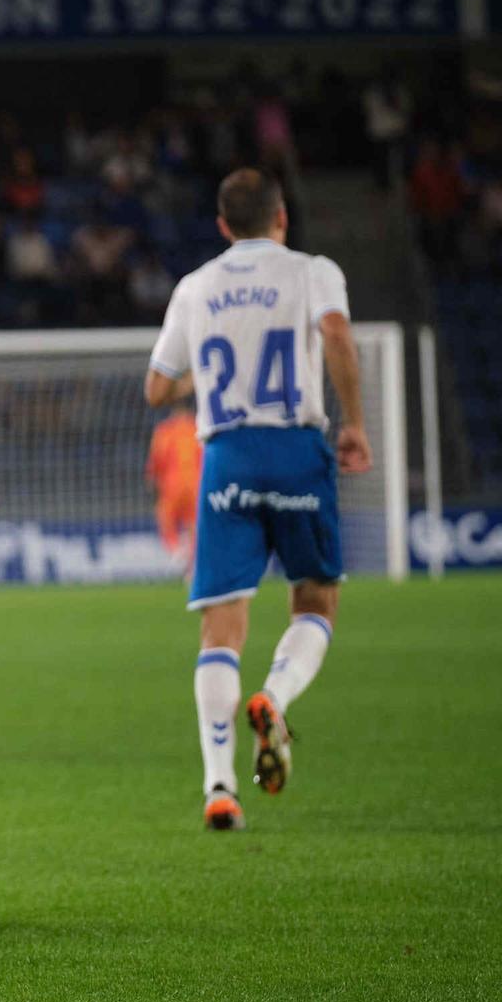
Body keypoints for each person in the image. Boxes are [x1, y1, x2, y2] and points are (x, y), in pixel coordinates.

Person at [145, 168, 372, 832]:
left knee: (221, 626)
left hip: (227, 459)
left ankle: (219, 786)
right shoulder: (312, 271)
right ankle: (272, 697)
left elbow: (156, 390)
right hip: (296, 449)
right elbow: (334, 334)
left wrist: (208, 374)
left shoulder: (196, 286)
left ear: (222, 225)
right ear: (281, 217)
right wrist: (354, 420)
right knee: (316, 598)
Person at [145, 398, 203, 575]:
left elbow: (157, 459)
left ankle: (177, 551)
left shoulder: (165, 430)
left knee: (165, 516)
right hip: (196, 483)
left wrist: (151, 479)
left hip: (172, 484)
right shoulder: (198, 427)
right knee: (195, 523)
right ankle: (193, 564)